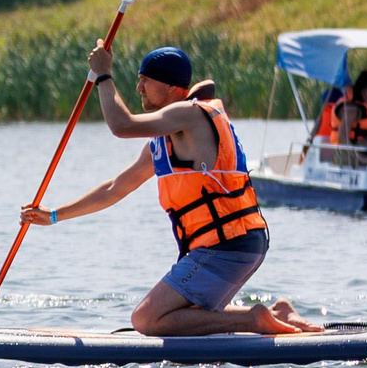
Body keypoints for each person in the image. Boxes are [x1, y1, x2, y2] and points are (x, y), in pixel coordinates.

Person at [20, 43, 320, 337]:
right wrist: (55, 215)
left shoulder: (189, 115)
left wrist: (103, 74)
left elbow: (121, 125)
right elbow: (114, 188)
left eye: (145, 80)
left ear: (171, 88)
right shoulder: (161, 143)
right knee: (171, 318)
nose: (139, 88)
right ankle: (277, 313)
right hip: (229, 245)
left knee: (147, 319)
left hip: (227, 246)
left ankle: (253, 320)